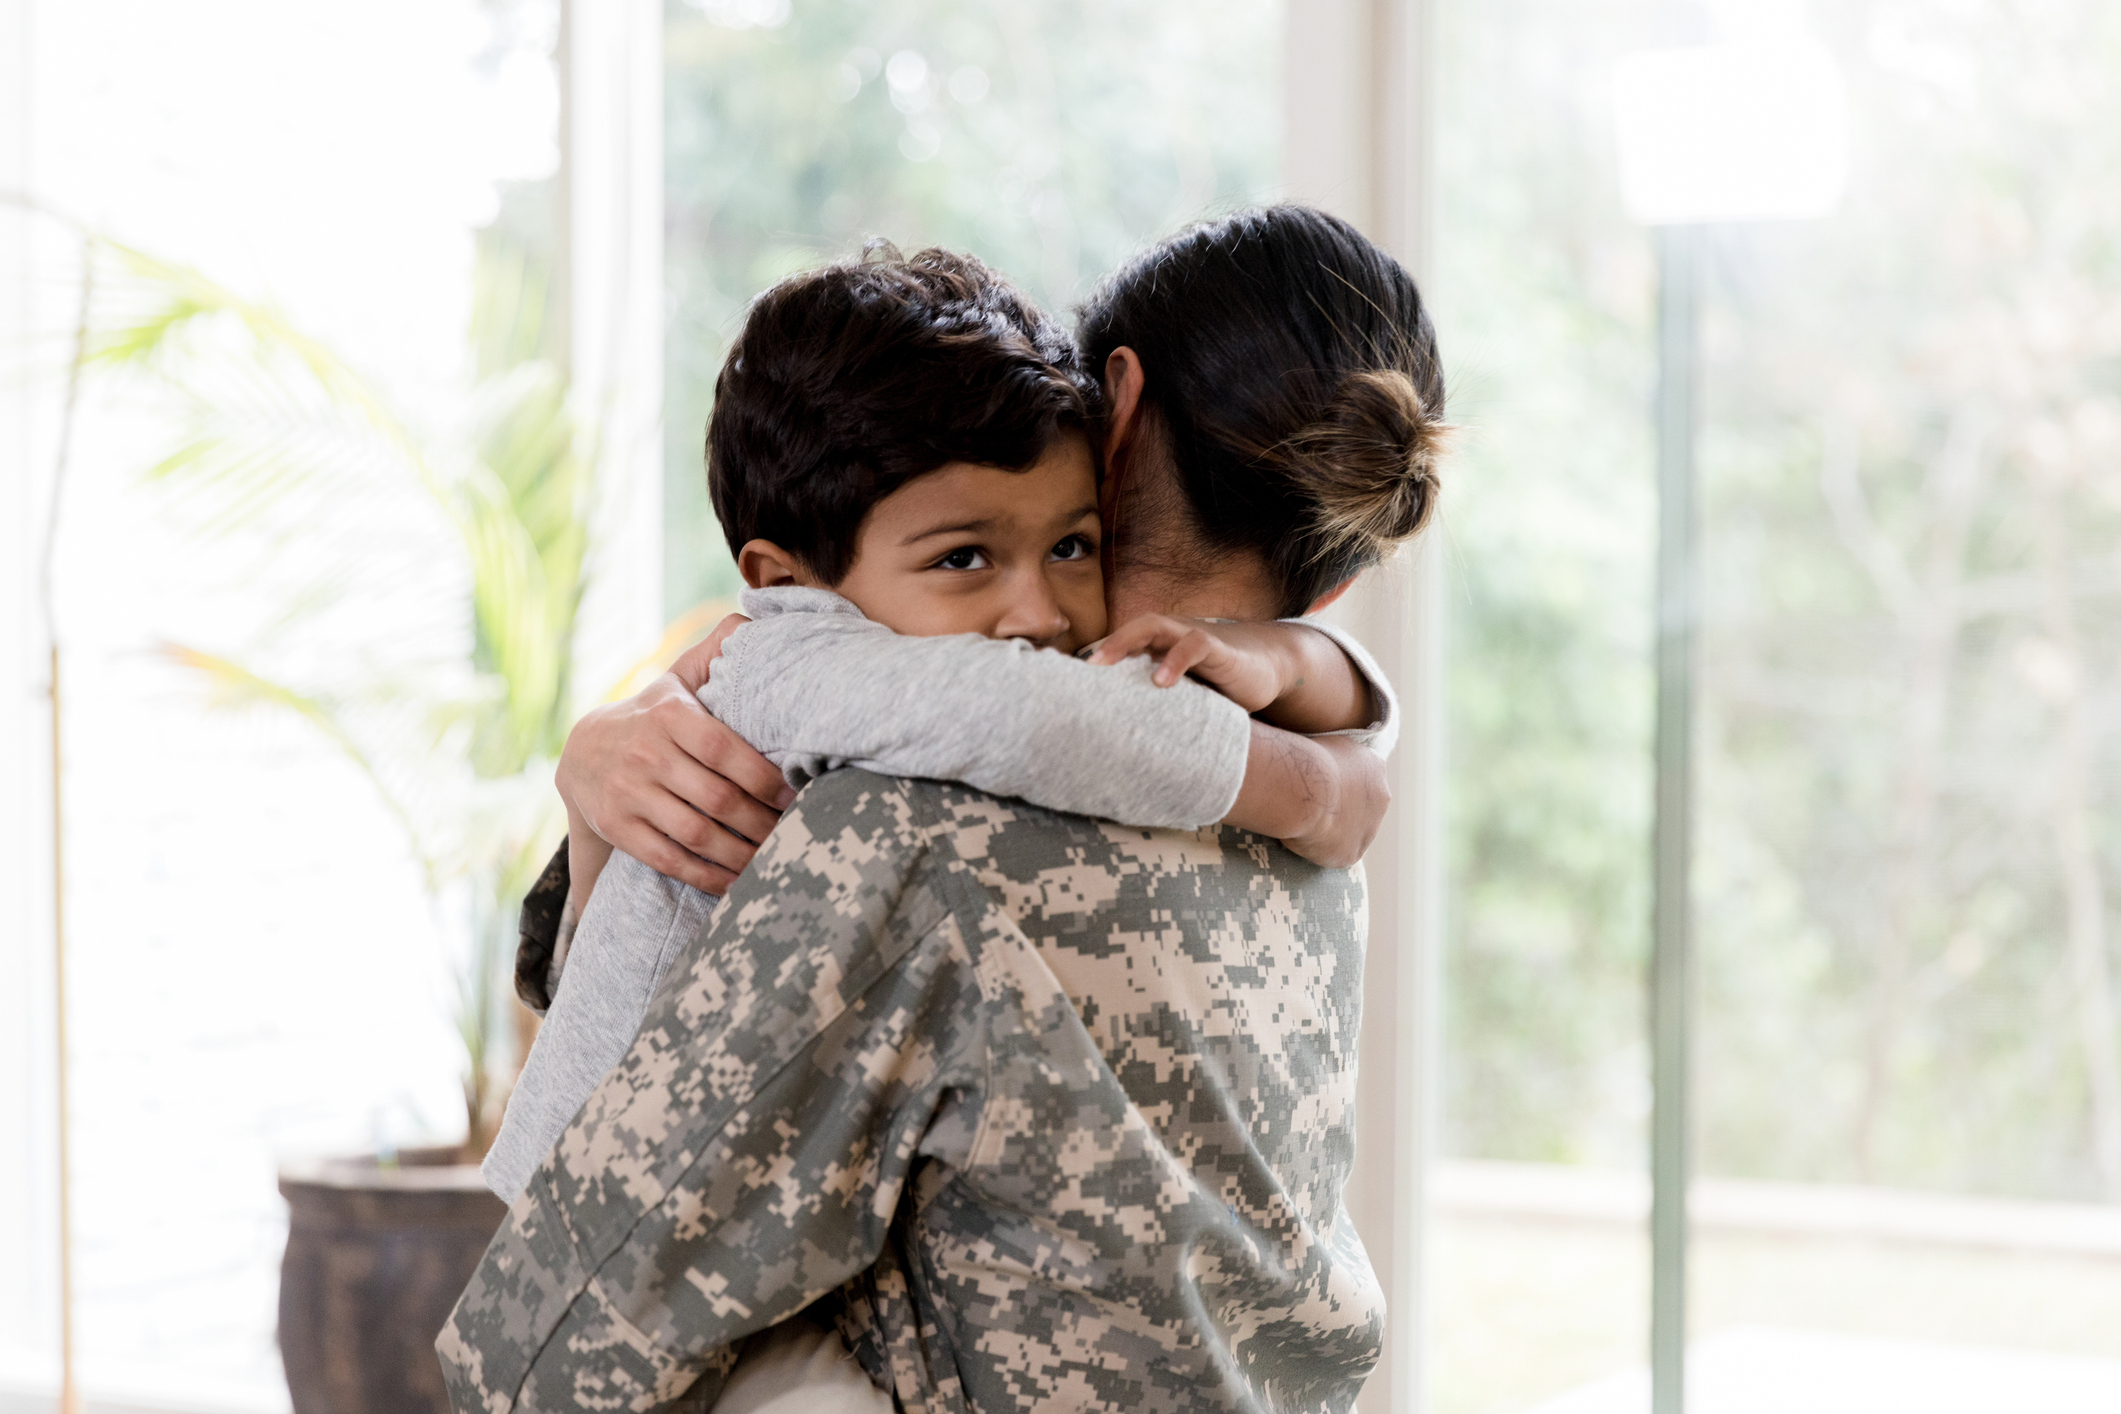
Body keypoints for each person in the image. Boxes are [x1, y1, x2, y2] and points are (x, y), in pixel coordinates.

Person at [441, 205, 1449, 1412]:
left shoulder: (906, 833)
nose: (1022, 604)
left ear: (1110, 411)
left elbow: (537, 1349)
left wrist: (619, 777)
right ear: (1339, 571)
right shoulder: (1323, 851)